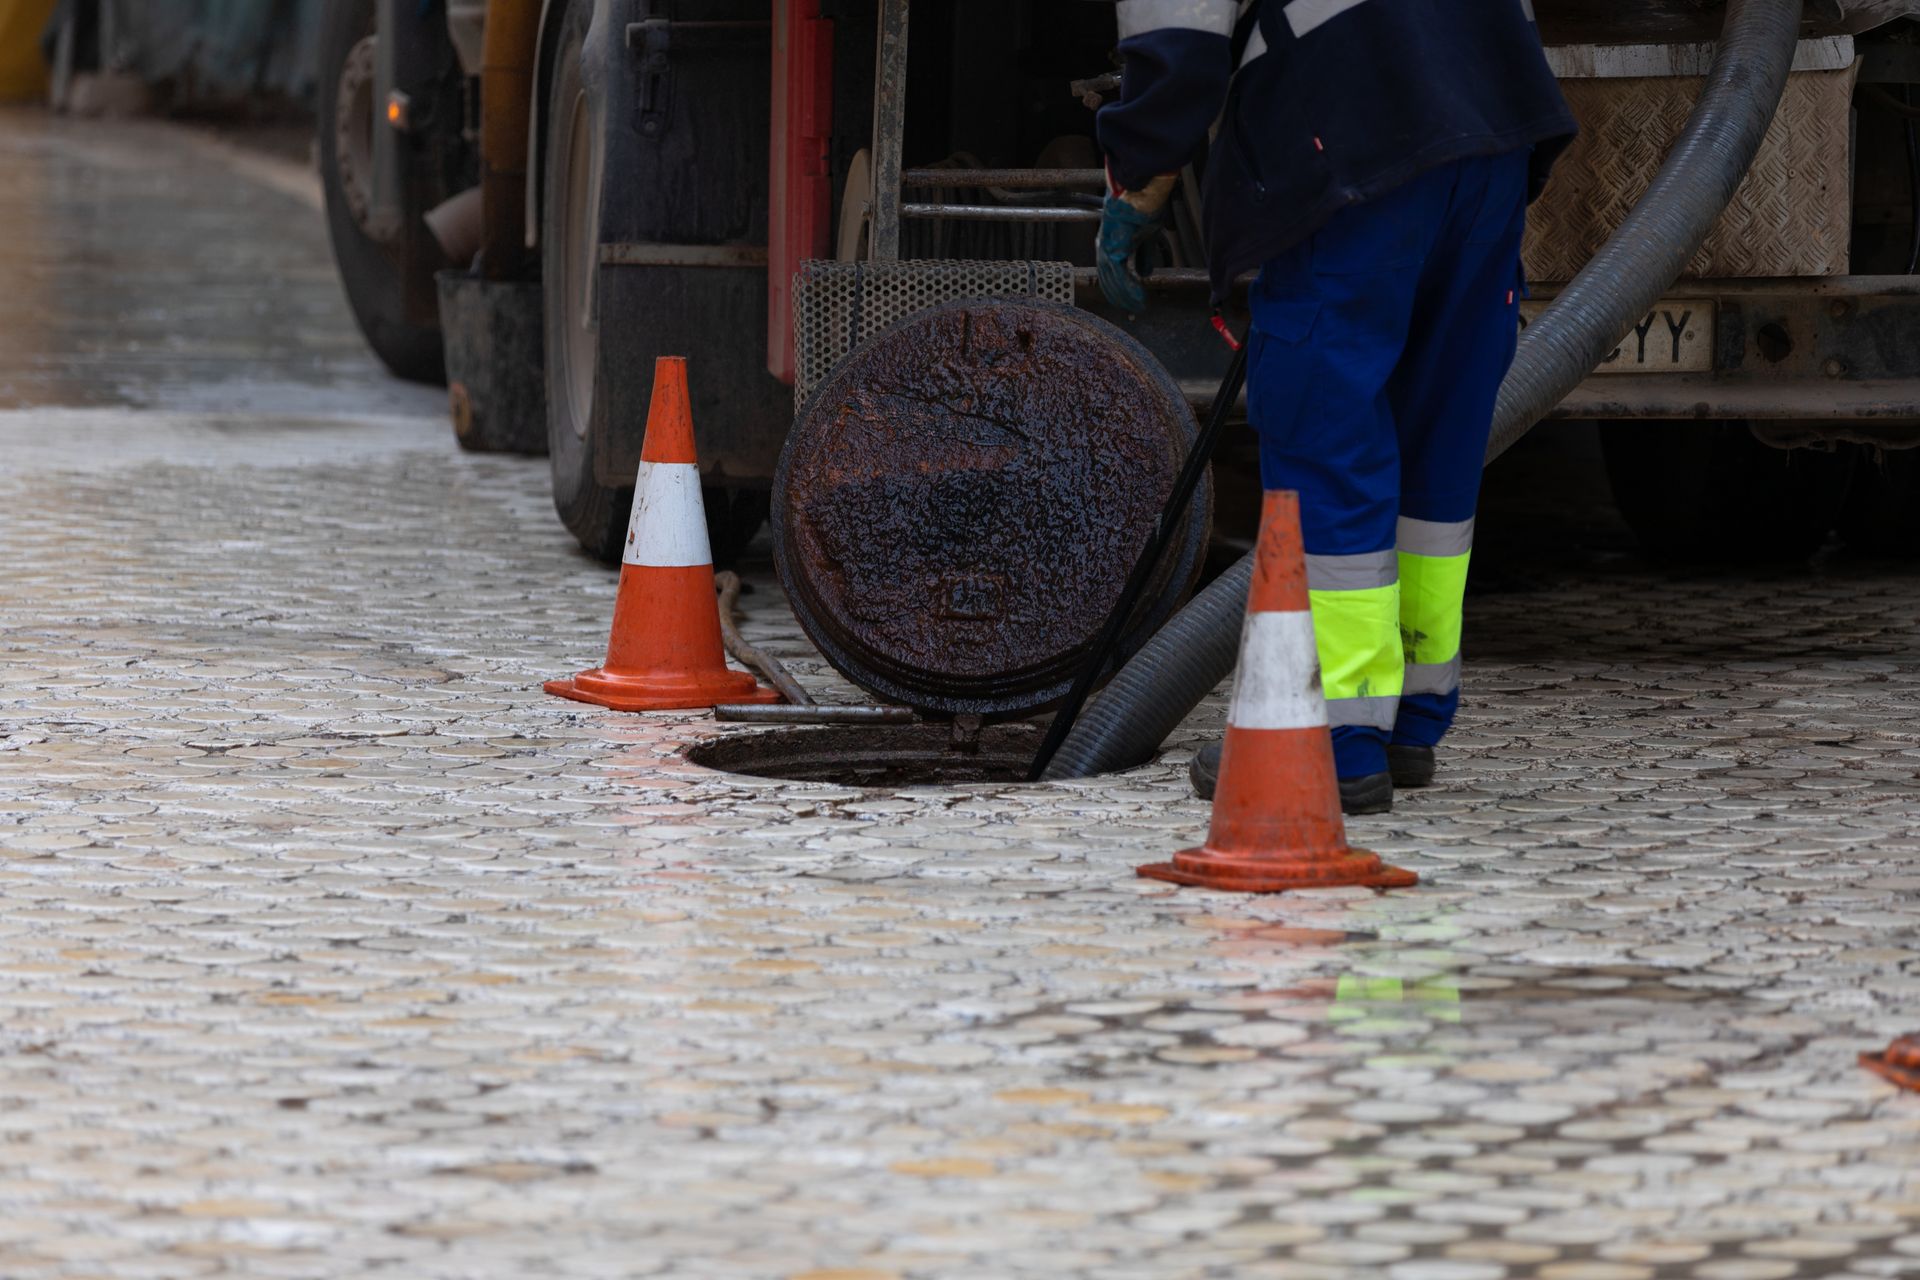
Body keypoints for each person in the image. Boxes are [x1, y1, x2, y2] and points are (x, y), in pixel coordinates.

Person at [1097, 0, 1577, 813]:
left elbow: (1179, 43)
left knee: (1330, 435)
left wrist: (1137, 184)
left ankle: (1332, 732)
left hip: (1352, 133)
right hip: (1491, 123)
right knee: (1438, 442)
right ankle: (1407, 721)